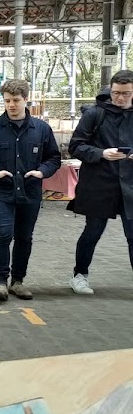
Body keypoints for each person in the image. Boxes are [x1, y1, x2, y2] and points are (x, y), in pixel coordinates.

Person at [0, 78, 62, 303]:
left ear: (26, 100)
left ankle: (18, 281)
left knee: (24, 237)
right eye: (7, 100)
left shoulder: (41, 129)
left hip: (30, 192)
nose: (11, 105)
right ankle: (0, 282)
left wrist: (42, 172)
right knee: (2, 234)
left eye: (16, 100)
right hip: (1, 192)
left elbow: (54, 158)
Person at [66, 71, 133, 295]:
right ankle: (79, 275)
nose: (120, 98)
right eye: (116, 93)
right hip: (99, 183)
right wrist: (102, 153)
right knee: (93, 230)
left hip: (130, 185)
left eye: (126, 94)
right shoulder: (95, 114)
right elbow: (75, 146)